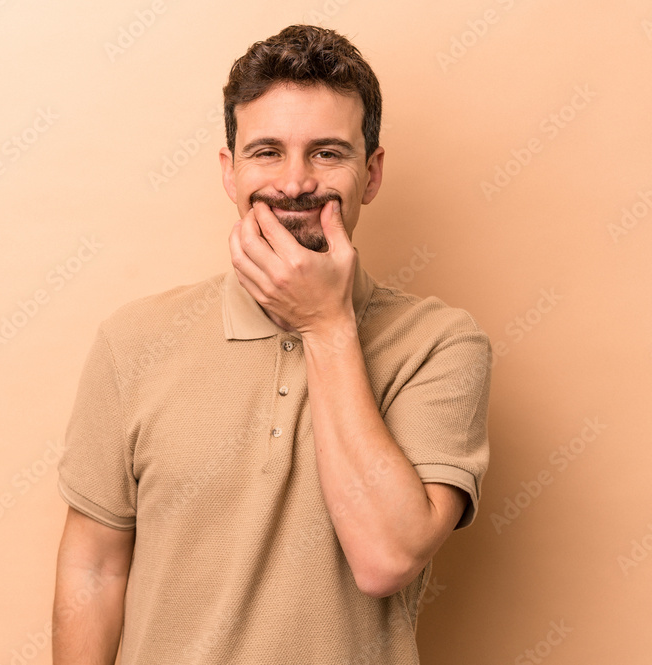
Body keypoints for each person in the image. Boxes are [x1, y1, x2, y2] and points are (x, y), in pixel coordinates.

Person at [52, 24, 492, 665]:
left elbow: (386, 558)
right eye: (266, 152)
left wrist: (325, 324)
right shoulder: (133, 340)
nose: (294, 183)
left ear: (370, 174)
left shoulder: (441, 345)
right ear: (229, 172)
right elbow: (93, 569)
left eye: (327, 153)